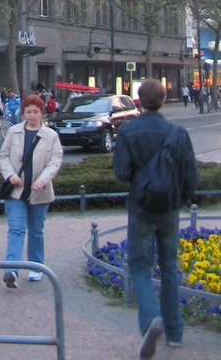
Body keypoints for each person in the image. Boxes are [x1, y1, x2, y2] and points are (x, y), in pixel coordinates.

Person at [113, 78, 198, 357]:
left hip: (141, 207)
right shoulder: (177, 132)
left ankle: (150, 319)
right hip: (169, 209)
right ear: (163, 100)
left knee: (139, 266)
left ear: (138, 100)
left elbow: (123, 173)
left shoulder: (128, 131)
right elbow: (190, 175)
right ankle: (174, 333)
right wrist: (180, 200)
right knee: (170, 268)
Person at [0, 93, 63, 288]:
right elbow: (3, 156)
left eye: (35, 112)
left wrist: (43, 180)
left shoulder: (51, 136)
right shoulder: (14, 132)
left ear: (41, 113)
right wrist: (10, 175)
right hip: (16, 191)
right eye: (28, 112)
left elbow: (55, 161)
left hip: (39, 192)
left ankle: (36, 266)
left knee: (36, 231)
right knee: (16, 230)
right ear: (23, 113)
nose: (32, 115)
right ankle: (11, 270)